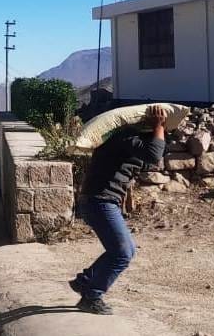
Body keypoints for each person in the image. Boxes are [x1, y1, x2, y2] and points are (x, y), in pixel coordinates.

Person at [70, 105, 167, 315]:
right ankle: (92, 295)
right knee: (122, 253)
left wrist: (156, 129)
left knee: (127, 250)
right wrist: (159, 125)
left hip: (101, 201)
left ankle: (84, 281)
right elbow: (154, 154)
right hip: (100, 201)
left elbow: (149, 153)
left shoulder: (129, 140)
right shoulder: (124, 137)